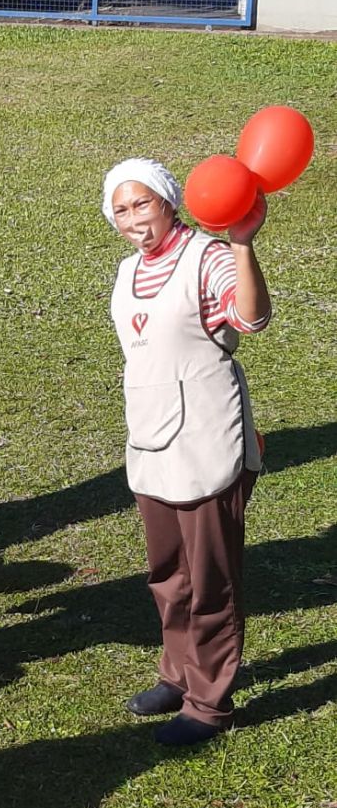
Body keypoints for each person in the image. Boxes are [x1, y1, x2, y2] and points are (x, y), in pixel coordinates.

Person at [103, 158, 270, 747]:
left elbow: (251, 318)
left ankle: (209, 701)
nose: (133, 219)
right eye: (121, 209)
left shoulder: (209, 256)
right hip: (151, 437)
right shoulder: (128, 271)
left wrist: (243, 245)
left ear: (169, 202)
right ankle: (177, 673)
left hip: (206, 435)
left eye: (142, 203)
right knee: (168, 573)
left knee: (210, 578)